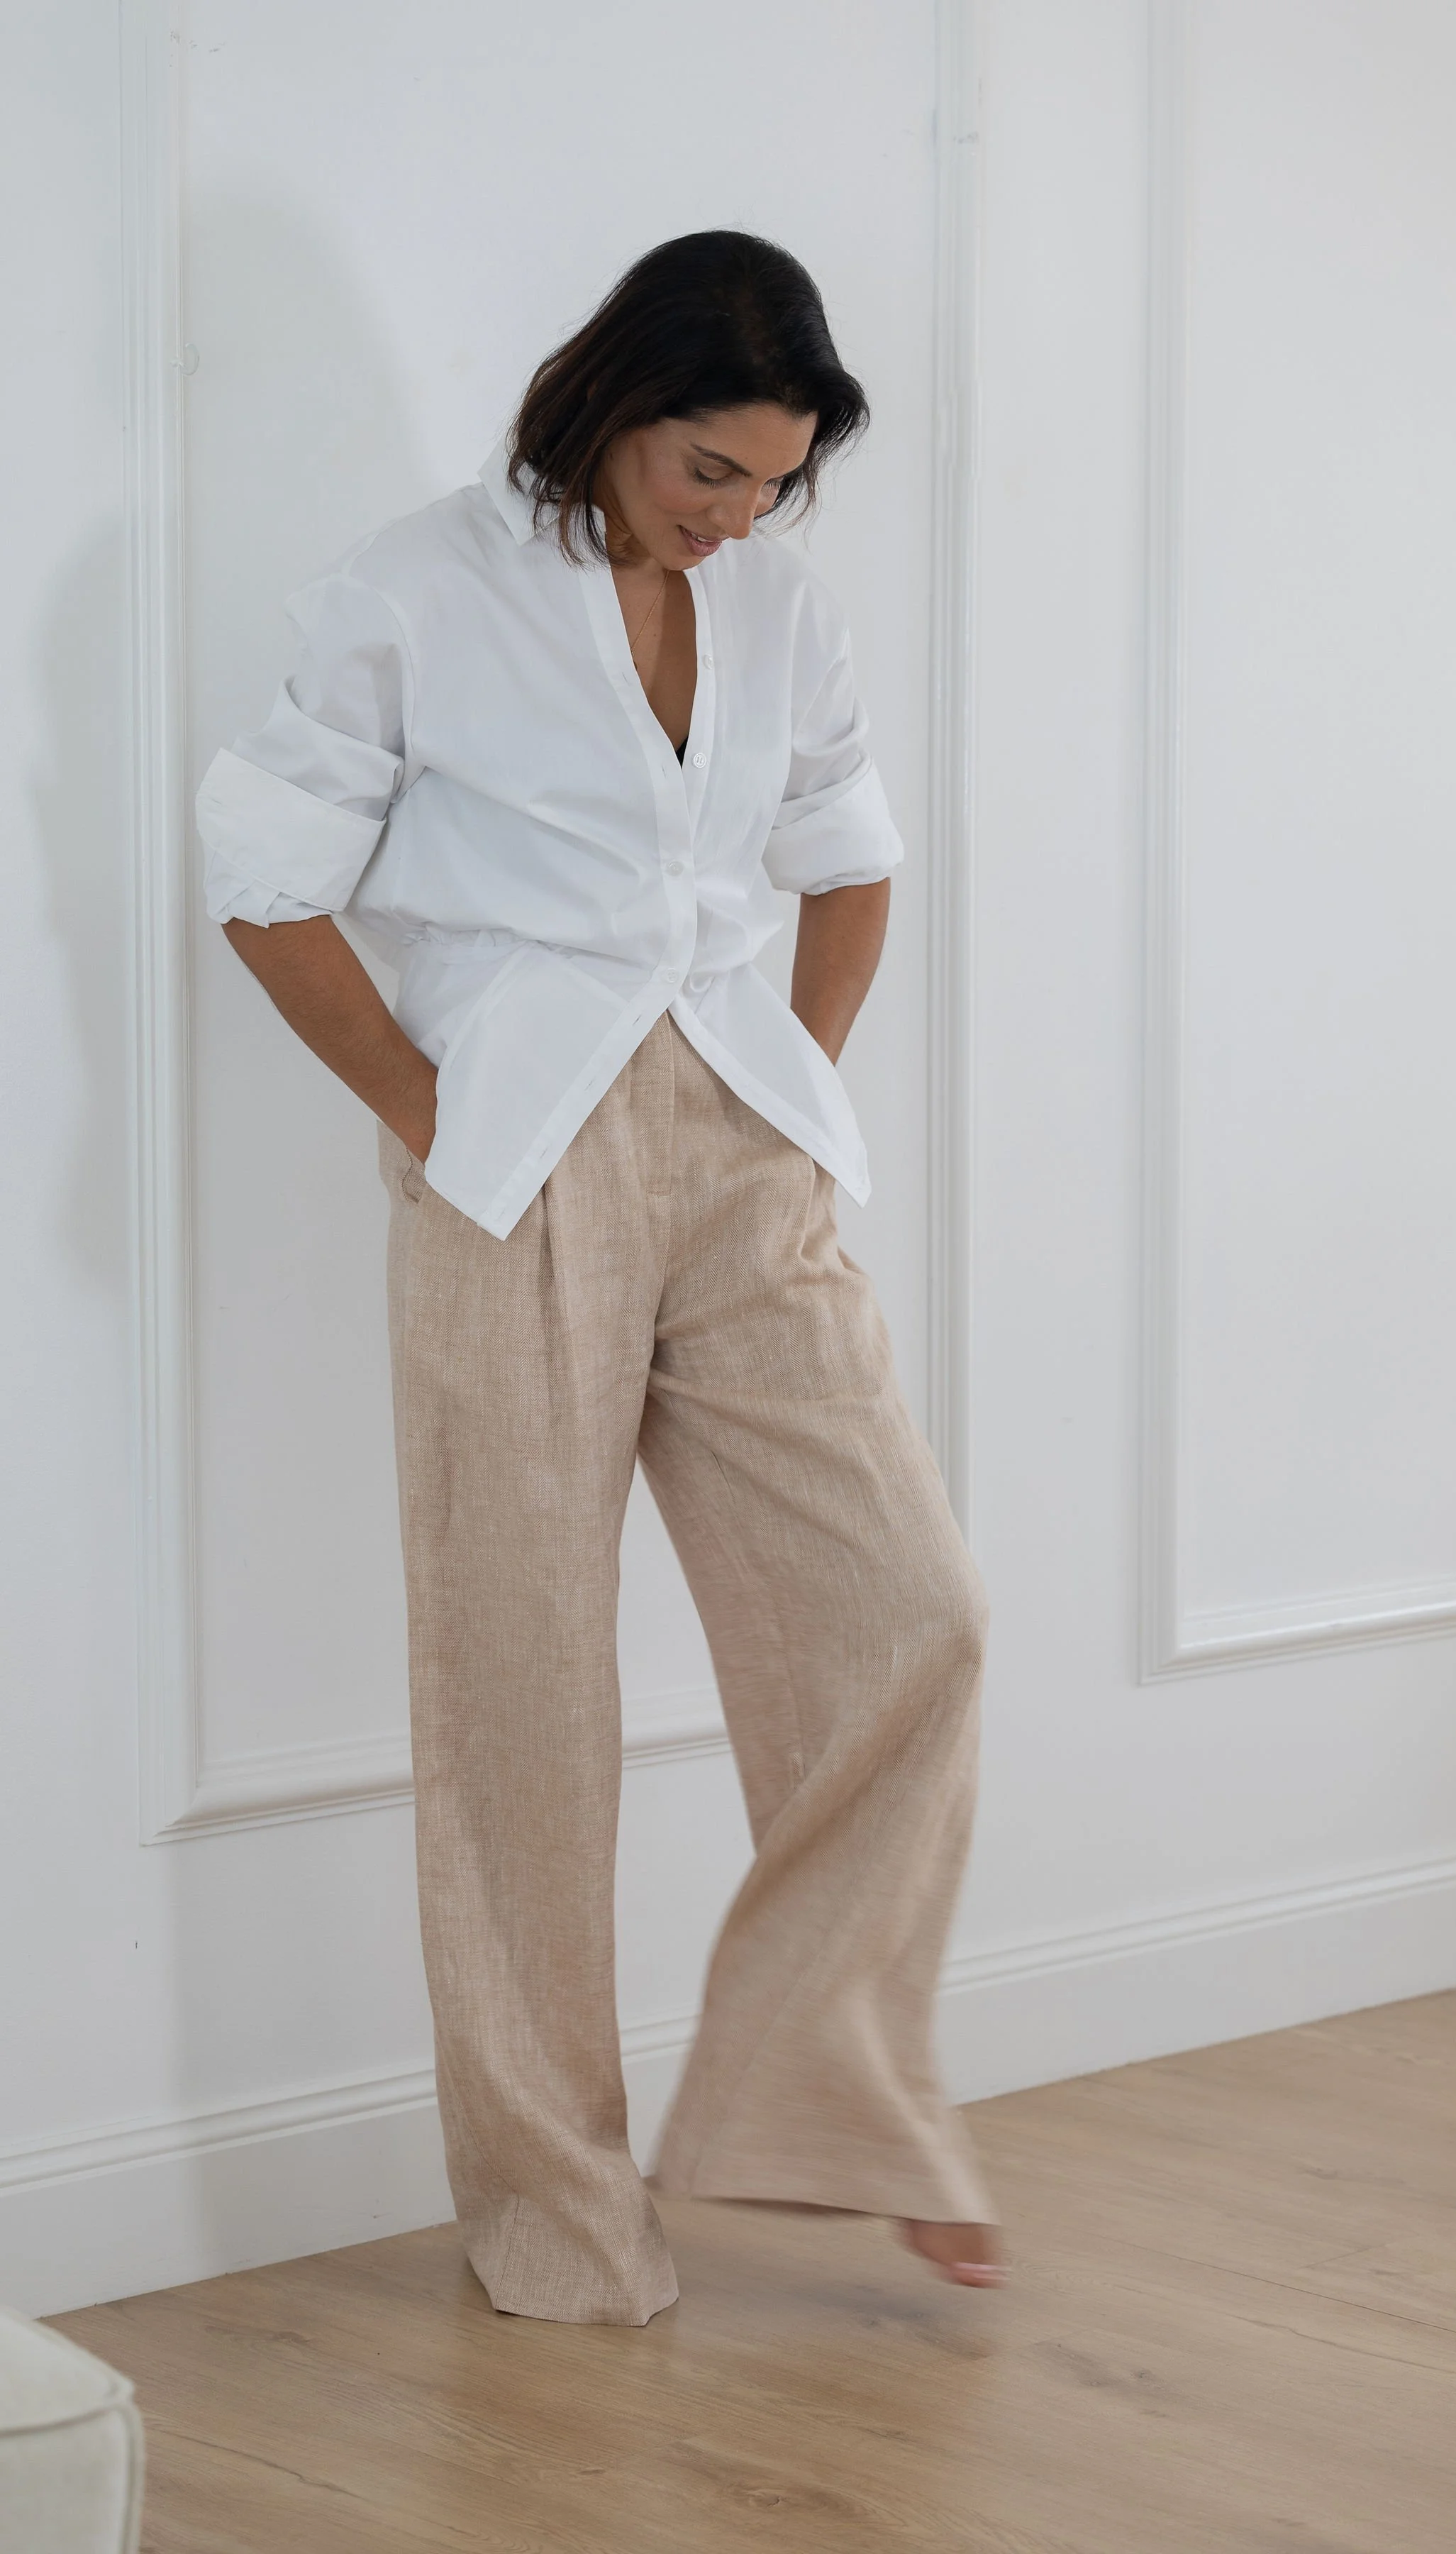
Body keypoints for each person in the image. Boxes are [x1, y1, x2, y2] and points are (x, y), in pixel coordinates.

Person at [197, 229, 1003, 2326]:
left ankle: (825, 2114)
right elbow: (263, 885)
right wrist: (437, 1117)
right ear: (614, 400)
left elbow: (851, 858)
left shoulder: (782, 610)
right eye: (708, 469)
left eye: (773, 485)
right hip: (516, 1161)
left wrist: (789, 1091)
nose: (735, 518)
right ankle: (558, 2217)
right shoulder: (408, 592)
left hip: (741, 1150)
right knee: (523, 1702)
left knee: (913, 1612)